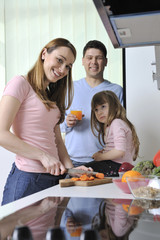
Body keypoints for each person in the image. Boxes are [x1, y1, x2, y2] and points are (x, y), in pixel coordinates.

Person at [0, 38, 90, 205]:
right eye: (60, 60)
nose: (63, 69)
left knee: (46, 232)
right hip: (28, 178)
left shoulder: (51, 96)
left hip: (54, 178)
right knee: (15, 232)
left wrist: (72, 169)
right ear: (44, 54)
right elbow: (1, 134)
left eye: (68, 66)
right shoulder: (20, 83)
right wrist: (43, 157)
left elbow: (56, 140)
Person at [60, 40, 123, 168]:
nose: (93, 62)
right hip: (72, 161)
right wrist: (67, 122)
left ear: (105, 61)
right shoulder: (69, 89)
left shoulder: (116, 90)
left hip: (105, 159)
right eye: (89, 58)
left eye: (98, 58)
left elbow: (122, 126)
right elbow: (56, 125)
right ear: (83, 61)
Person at [90, 90, 139, 174]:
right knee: (82, 170)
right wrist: (105, 151)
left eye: (103, 106)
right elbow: (116, 147)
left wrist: (101, 157)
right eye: (96, 109)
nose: (99, 112)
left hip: (117, 166)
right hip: (116, 165)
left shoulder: (116, 123)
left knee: (82, 171)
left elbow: (119, 151)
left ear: (115, 107)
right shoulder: (111, 125)